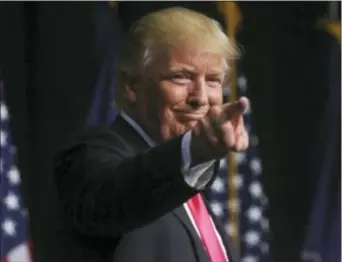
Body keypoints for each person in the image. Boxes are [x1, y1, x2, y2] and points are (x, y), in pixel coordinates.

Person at [54, 7, 249, 262]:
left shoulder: (188, 184)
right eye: (181, 77)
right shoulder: (87, 158)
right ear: (132, 86)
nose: (201, 98)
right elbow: (118, 194)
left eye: (213, 80)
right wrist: (194, 150)